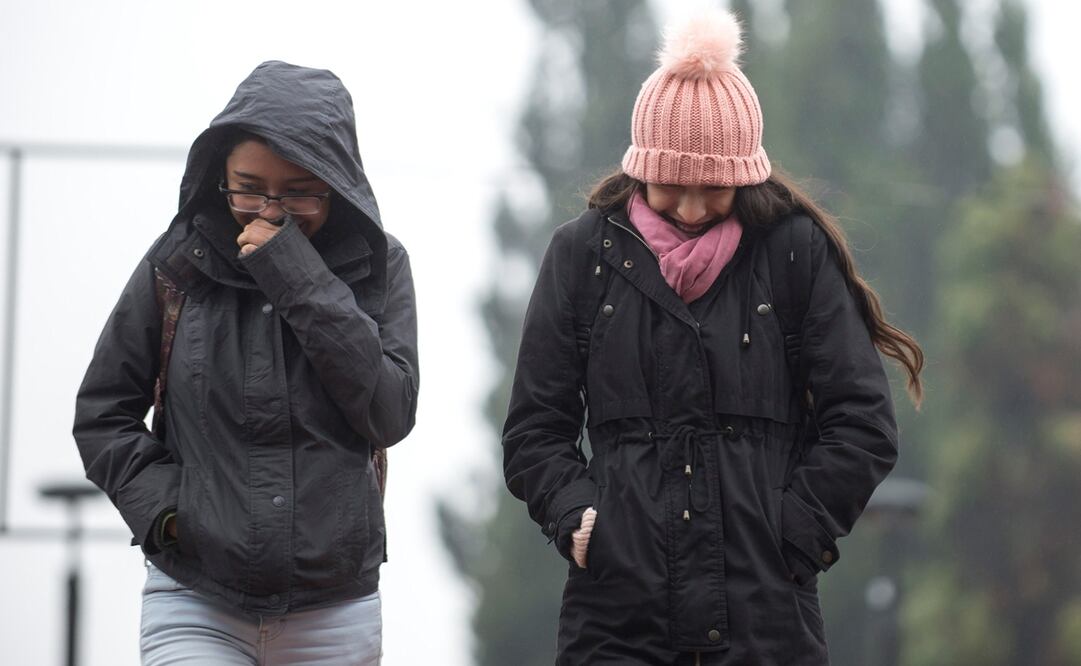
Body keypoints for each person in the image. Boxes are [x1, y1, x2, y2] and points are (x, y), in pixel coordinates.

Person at [502, 11, 923, 665]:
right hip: (615, 622)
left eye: (715, 189)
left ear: (746, 176)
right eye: (672, 186)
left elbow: (863, 423)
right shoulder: (581, 256)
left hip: (767, 622)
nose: (692, 210)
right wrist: (578, 517)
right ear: (641, 168)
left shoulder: (793, 252)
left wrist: (794, 534)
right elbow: (534, 431)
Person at [73, 61, 418, 665]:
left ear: (336, 182)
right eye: (248, 186)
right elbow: (103, 415)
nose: (268, 210)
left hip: (335, 612)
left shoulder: (380, 265)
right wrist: (172, 515)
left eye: (299, 191)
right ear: (219, 176)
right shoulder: (176, 263)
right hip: (195, 599)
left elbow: (388, 412)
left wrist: (297, 276)